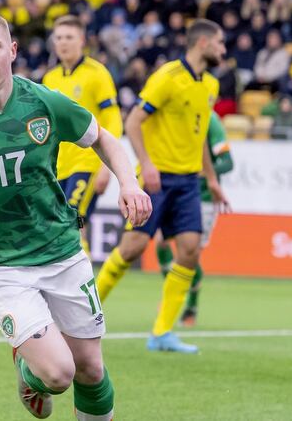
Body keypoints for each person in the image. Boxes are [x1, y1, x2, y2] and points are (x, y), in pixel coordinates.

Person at [0, 11, 151, 420]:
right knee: (58, 372)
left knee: (90, 369)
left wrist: (128, 182)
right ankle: (28, 370)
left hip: (61, 249)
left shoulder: (43, 100)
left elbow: (102, 138)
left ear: (12, 51)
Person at [95, 19, 230, 353]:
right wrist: (148, 164)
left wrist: (211, 179)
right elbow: (134, 121)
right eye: (220, 43)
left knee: (189, 250)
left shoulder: (210, 85)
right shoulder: (168, 78)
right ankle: (84, 314)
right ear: (202, 43)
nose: (223, 50)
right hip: (157, 179)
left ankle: (161, 333)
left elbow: (199, 139)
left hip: (188, 182)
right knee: (132, 249)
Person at [42, 15, 123, 255]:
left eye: (69, 37)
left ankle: (83, 287)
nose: (63, 43)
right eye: (58, 38)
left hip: (87, 163)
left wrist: (106, 166)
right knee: (68, 226)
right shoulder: (50, 78)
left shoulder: (97, 73)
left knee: (73, 219)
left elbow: (113, 119)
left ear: (82, 41)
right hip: (59, 166)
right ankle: (77, 285)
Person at [155, 111, 234, 327]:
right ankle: (172, 294)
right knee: (160, 242)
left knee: (189, 255)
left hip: (203, 198)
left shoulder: (211, 121)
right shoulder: (176, 116)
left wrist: (199, 172)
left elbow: (227, 163)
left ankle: (191, 306)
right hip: (177, 193)